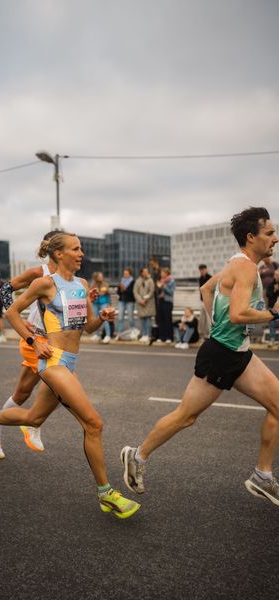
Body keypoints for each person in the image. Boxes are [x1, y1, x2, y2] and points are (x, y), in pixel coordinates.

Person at [0, 232, 141, 518]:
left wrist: (101, 319)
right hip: (53, 362)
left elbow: (86, 328)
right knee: (94, 424)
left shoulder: (81, 284)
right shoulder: (45, 284)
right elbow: (12, 313)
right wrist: (33, 341)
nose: (81, 254)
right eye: (76, 249)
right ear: (58, 254)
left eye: (81, 249)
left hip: (71, 361)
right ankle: (107, 494)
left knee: (33, 418)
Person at [121, 207, 279, 507]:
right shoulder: (245, 268)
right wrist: (272, 314)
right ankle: (137, 456)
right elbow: (237, 314)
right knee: (186, 416)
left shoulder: (239, 265)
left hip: (238, 353)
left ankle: (262, 475)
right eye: (269, 233)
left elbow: (206, 288)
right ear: (251, 237)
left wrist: (216, 323)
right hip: (221, 356)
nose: (275, 239)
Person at [0, 231, 60, 459]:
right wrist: (15, 315)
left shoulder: (70, 276)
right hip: (36, 339)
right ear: (57, 250)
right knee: (62, 387)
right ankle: (33, 422)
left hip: (54, 341)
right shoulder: (39, 273)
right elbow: (5, 289)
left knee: (22, 393)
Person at [89, 272, 113, 344]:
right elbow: (90, 292)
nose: (101, 277)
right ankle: (97, 334)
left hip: (104, 303)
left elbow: (109, 293)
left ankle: (108, 335)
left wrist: (109, 304)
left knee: (104, 319)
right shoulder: (93, 284)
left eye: (102, 276)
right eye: (100, 276)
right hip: (95, 303)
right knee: (96, 319)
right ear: (96, 277)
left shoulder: (105, 284)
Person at [134, 267, 155, 344]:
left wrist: (145, 299)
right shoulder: (138, 281)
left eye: (147, 271)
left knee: (148, 319)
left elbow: (151, 291)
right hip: (140, 303)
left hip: (148, 302)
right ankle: (144, 334)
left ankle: (148, 335)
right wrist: (140, 300)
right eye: (145, 272)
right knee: (142, 319)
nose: (146, 273)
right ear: (141, 273)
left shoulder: (150, 280)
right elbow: (135, 291)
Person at [156, 267, 176, 343]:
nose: (161, 274)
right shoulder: (161, 281)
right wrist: (158, 287)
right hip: (160, 301)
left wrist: (163, 286)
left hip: (168, 302)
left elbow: (171, 292)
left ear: (166, 273)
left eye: (162, 273)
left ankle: (169, 337)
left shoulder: (172, 281)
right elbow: (158, 291)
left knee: (167, 320)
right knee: (160, 319)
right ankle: (161, 337)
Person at [116, 267, 137, 340]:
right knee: (120, 318)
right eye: (124, 273)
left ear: (130, 274)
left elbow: (133, 293)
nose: (125, 275)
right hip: (122, 300)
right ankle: (119, 334)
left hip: (130, 301)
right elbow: (118, 292)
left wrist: (125, 289)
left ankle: (133, 333)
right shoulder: (122, 281)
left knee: (131, 318)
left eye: (126, 274)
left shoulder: (133, 281)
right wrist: (121, 289)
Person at [198, 264, 212, 340]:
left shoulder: (210, 278)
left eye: (203, 270)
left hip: (208, 300)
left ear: (206, 269)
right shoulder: (200, 278)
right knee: (202, 318)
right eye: (201, 270)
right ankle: (203, 334)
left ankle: (210, 334)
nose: (202, 271)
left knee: (208, 318)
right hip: (202, 300)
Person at [266, 268, 279, 347]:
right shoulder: (271, 285)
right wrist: (275, 290)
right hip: (272, 307)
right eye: (276, 275)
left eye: (278, 275)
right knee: (272, 323)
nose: (277, 277)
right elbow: (268, 295)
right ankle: (272, 340)